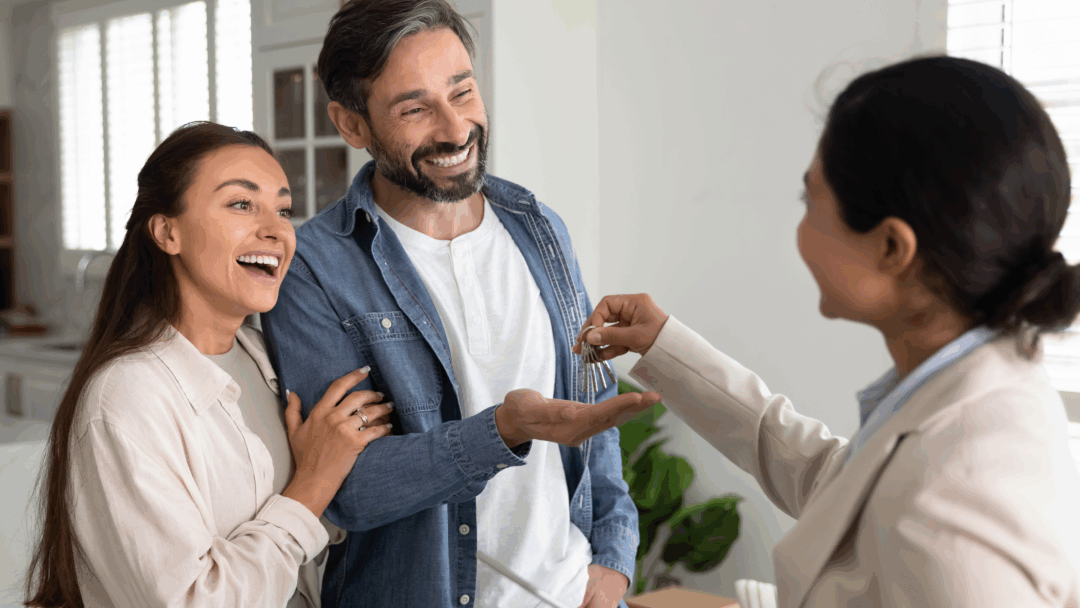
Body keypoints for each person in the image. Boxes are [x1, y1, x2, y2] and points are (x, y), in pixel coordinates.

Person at [576, 56, 1080, 607]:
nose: (800, 228)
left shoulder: (951, 505)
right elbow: (842, 489)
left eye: (810, 201)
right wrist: (665, 346)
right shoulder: (969, 393)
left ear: (891, 247)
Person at [260, 1, 659, 607]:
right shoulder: (315, 268)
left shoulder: (538, 227)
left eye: (463, 92)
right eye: (415, 108)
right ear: (352, 125)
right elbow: (351, 490)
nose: (454, 130)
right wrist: (502, 430)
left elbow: (593, 403)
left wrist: (611, 561)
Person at [24, 122, 396, 608]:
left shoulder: (262, 356)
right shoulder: (128, 398)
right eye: (241, 204)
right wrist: (313, 483)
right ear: (167, 231)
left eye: (283, 209)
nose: (276, 229)